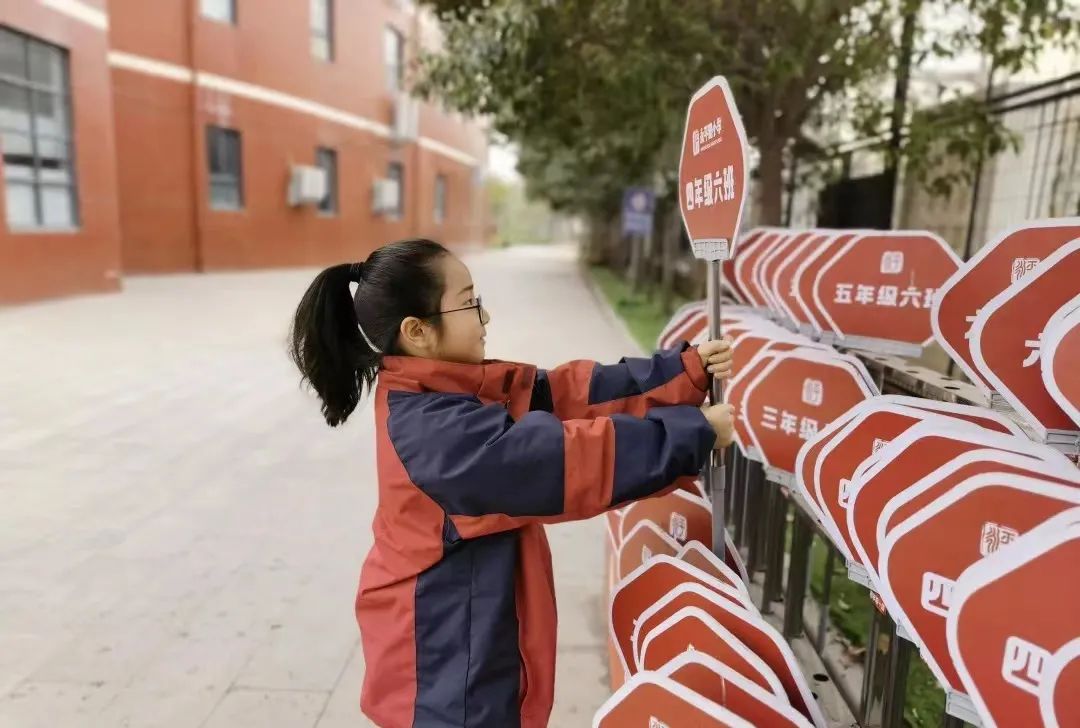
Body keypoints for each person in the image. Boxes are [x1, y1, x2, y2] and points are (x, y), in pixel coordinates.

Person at [288, 239, 737, 728]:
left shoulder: (453, 388)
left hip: (469, 643)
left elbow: (565, 395)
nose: (485, 317)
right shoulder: (436, 434)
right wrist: (695, 433)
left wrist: (681, 373)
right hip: (444, 667)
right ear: (417, 331)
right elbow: (565, 459)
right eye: (468, 302)